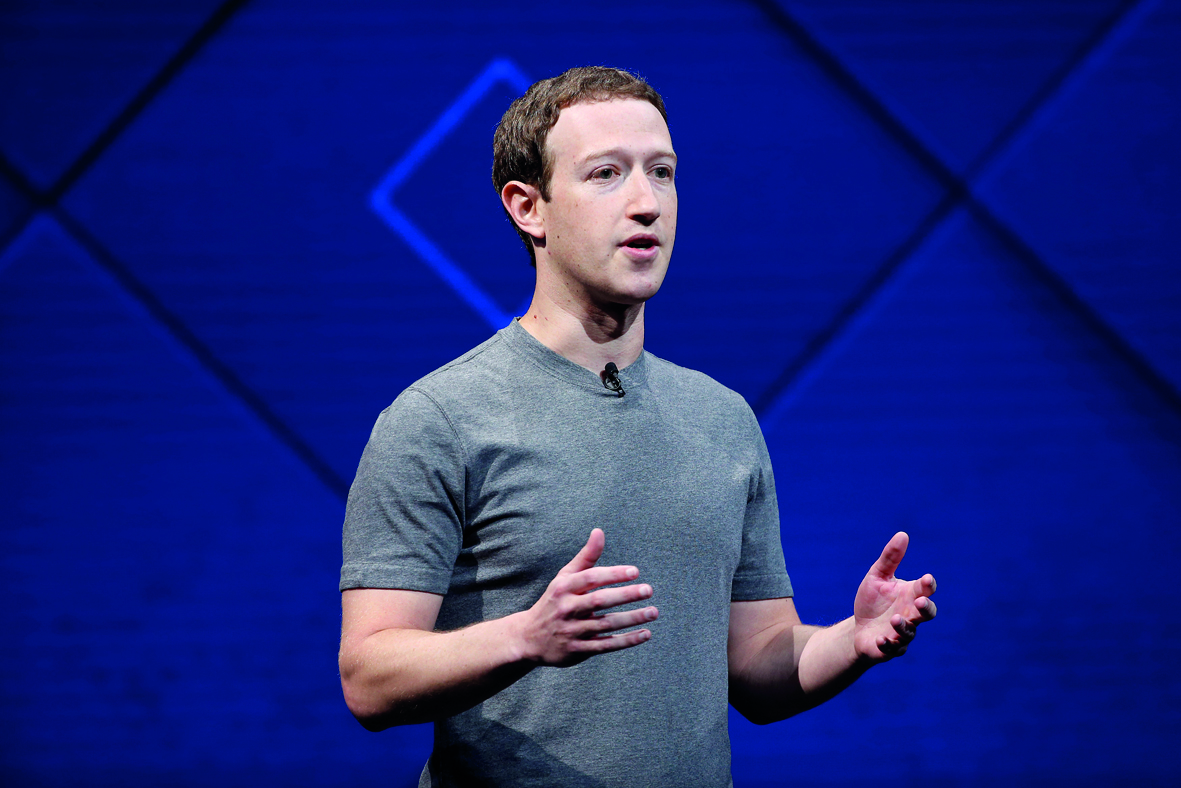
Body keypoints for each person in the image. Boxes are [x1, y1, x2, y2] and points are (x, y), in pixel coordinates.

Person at [339, 66, 937, 788]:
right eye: (605, 174)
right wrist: (525, 638)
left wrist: (852, 640)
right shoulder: (439, 418)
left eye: (662, 172)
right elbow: (368, 679)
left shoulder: (720, 418)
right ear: (528, 208)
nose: (646, 203)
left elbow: (756, 666)